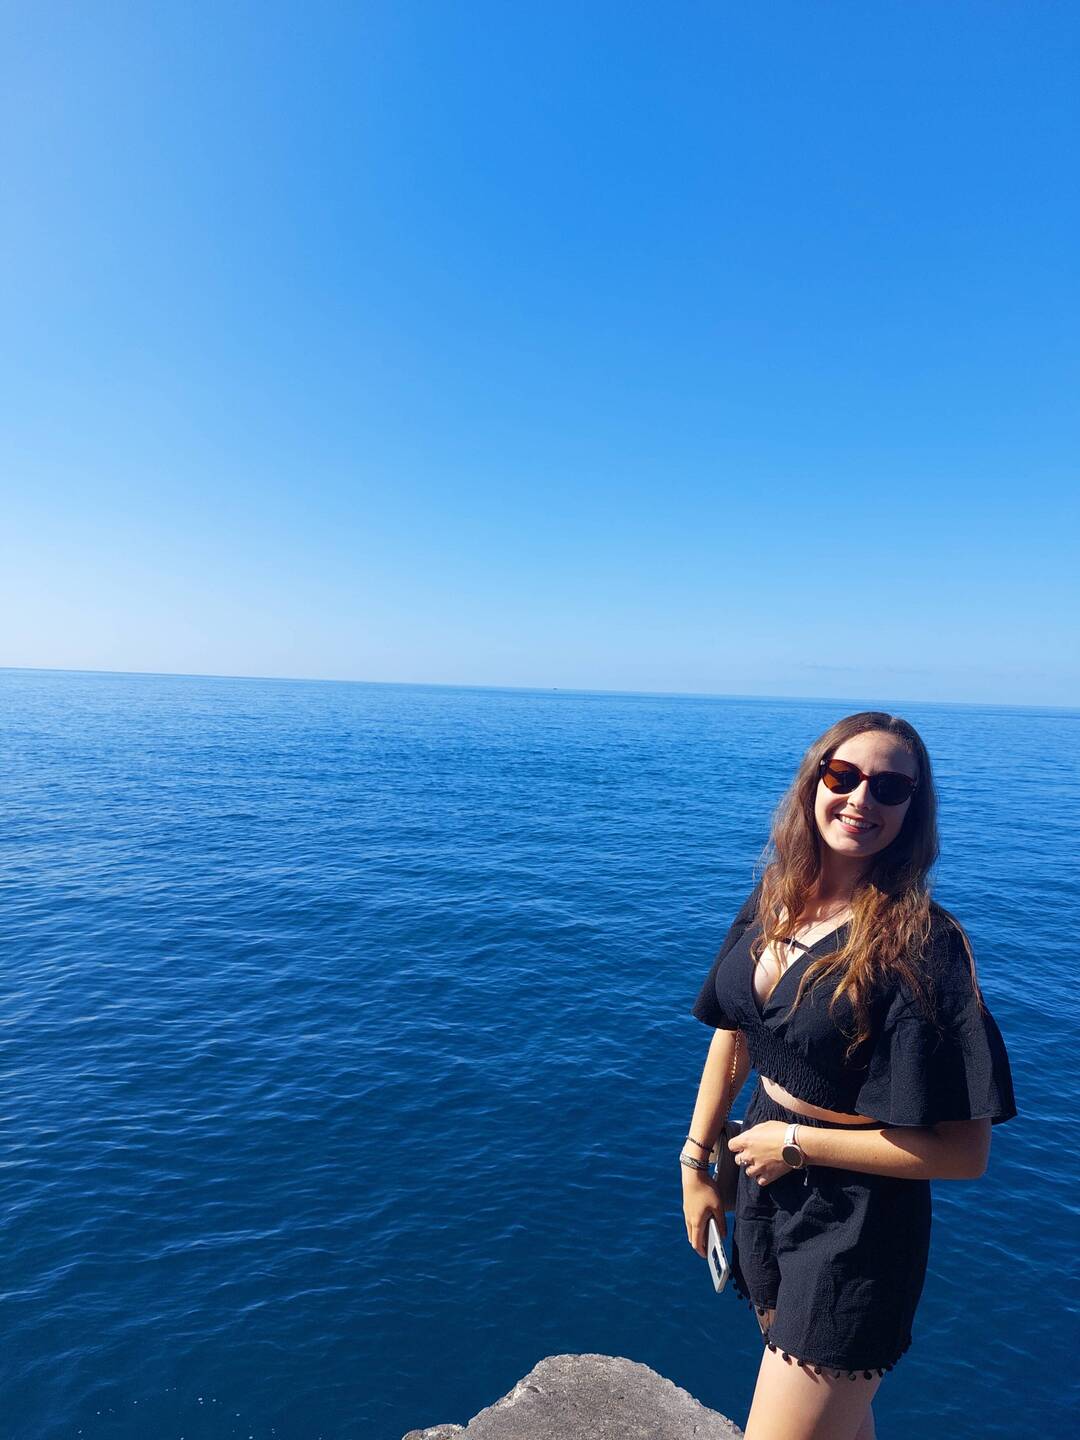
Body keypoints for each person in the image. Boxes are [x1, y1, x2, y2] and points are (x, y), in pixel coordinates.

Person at [682, 711, 1017, 1440]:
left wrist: (796, 1144)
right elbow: (736, 1030)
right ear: (814, 783)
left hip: (857, 1227)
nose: (862, 799)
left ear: (912, 811)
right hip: (768, 1191)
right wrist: (695, 1159)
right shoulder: (776, 896)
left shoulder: (922, 945)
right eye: (844, 776)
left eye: (891, 788)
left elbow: (964, 1153)